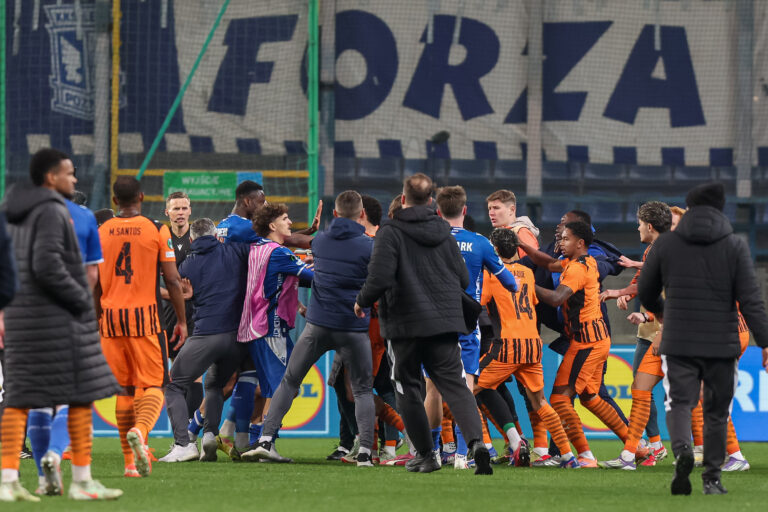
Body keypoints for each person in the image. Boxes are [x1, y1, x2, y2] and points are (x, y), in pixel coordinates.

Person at [0, 148, 122, 501]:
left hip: (20, 317)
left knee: (21, 398)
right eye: (69, 173)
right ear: (51, 177)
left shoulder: (10, 210)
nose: (75, 179)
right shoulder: (59, 211)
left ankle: (9, 480)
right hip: (56, 317)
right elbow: (50, 265)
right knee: (80, 395)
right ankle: (81, 480)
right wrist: (80, 301)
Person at [354, 173, 493, 475]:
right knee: (455, 386)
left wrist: (361, 301)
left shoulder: (390, 232)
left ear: (403, 200)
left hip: (405, 325)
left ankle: (427, 455)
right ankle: (476, 444)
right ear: (432, 201)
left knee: (408, 388)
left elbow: (379, 277)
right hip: (444, 323)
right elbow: (464, 279)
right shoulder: (444, 232)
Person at [638, 182, 768, 496]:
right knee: (715, 411)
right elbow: (751, 299)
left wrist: (664, 314)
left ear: (690, 207)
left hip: (679, 340)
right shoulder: (735, 245)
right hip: (721, 341)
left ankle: (683, 451)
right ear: (721, 208)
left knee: (680, 403)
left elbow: (645, 291)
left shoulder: (667, 244)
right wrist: (765, 342)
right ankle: (712, 478)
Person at [250, 191, 375, 466]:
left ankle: (266, 440)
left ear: (335, 215)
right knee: (363, 390)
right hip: (353, 327)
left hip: (317, 325)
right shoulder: (369, 247)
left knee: (289, 381)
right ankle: (366, 452)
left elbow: (296, 241)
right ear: (362, 215)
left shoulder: (321, 242)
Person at [96, 176, 188, 478]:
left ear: (114, 201)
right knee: (156, 385)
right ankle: (141, 428)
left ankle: (129, 465)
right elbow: (173, 280)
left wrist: (99, 319)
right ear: (142, 197)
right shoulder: (155, 230)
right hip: (146, 321)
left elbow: (94, 283)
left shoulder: (101, 231)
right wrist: (182, 321)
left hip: (110, 323)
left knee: (123, 391)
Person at [520, 222, 630, 468]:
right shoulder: (581, 262)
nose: (560, 242)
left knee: (559, 399)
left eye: (566, 239)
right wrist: (523, 246)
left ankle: (585, 456)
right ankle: (638, 447)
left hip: (587, 342)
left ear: (580, 243)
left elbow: (557, 297)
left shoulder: (577, 269)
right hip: (594, 339)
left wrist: (526, 282)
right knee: (591, 397)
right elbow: (547, 263)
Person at [475, 228, 580, 468]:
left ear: (496, 250)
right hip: (533, 345)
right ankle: (568, 456)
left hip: (507, 346)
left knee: (465, 389)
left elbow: (479, 303)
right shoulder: (528, 273)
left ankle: (467, 447)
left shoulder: (491, 274)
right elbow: (530, 301)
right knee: (540, 401)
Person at [27, 189, 107, 493]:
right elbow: (92, 278)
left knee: (39, 400)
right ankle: (55, 454)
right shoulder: (84, 223)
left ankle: (42, 480)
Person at [435, 185, 518, 469]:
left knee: (431, 389)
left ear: (438, 211)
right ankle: (461, 455)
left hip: (432, 322)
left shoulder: (428, 241)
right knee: (466, 387)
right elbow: (510, 282)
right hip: (467, 323)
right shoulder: (480, 242)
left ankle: (432, 453)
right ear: (465, 210)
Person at [160, 219, 251, 463]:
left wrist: (182, 294)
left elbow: (172, 289)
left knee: (173, 385)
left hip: (206, 334)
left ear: (191, 240)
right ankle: (210, 435)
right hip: (236, 339)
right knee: (213, 385)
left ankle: (183, 444)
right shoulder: (235, 251)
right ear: (216, 236)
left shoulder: (187, 265)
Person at [237, 203, 314, 463]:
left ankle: (256, 441)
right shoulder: (279, 252)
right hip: (272, 328)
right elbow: (312, 277)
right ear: (272, 226)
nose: (290, 222)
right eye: (285, 218)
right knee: (282, 388)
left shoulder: (258, 249)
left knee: (276, 387)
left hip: (257, 326)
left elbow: (294, 272)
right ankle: (264, 443)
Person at [599, 201, 672, 470]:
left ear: (649, 226)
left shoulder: (665, 250)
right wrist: (627, 295)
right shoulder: (656, 249)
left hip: (672, 334)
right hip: (655, 332)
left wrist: (619, 293)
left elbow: (652, 281)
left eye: (640, 223)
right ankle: (636, 452)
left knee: (693, 398)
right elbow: (643, 279)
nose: (637, 227)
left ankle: (713, 451)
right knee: (641, 389)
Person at [160, 191, 199, 416]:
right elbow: (147, 283)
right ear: (167, 212)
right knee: (174, 376)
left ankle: (190, 434)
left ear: (190, 210)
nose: (181, 213)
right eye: (176, 208)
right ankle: (181, 435)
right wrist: (174, 296)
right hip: (168, 317)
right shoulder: (160, 239)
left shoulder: (200, 240)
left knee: (194, 374)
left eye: (184, 208)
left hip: (197, 315)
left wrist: (192, 294)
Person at [486, 189, 540, 259]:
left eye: (496, 208)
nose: (491, 213)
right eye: (489, 208)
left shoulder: (522, 232)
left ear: (512, 210)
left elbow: (533, 264)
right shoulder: (497, 233)